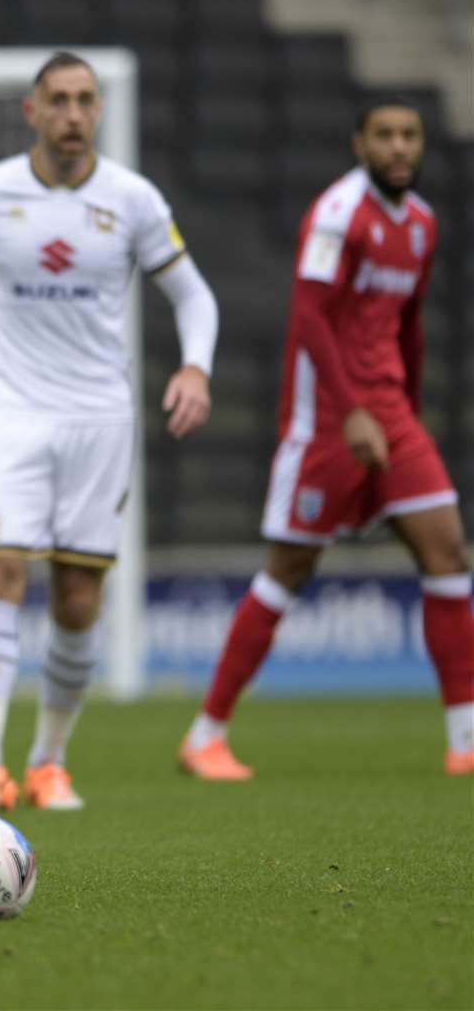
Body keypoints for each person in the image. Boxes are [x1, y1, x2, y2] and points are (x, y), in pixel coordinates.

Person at [0, 51, 219, 814]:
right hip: (10, 415)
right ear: (32, 111)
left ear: (97, 112)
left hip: (98, 421)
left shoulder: (133, 200)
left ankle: (47, 761)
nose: (73, 114)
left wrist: (195, 369)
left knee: (78, 599)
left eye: (85, 101)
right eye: (59, 101)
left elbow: (192, 295)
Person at [180, 98, 472, 779]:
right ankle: (204, 736)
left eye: (409, 136)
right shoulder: (336, 215)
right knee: (287, 571)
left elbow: (407, 325)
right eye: (384, 136)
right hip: (326, 422)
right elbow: (309, 318)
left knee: (449, 554)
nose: (398, 148)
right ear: (358, 144)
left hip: (391, 419)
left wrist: (405, 407)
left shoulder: (421, 225)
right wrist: (349, 413)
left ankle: (464, 740)